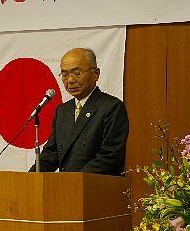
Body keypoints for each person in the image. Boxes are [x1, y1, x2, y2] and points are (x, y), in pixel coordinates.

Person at [29, 48, 129, 176]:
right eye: (64, 75)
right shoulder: (63, 111)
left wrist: (74, 180)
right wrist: (29, 178)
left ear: (96, 74)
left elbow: (110, 157)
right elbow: (51, 154)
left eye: (77, 73)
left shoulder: (111, 107)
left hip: (96, 188)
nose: (70, 80)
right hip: (69, 188)